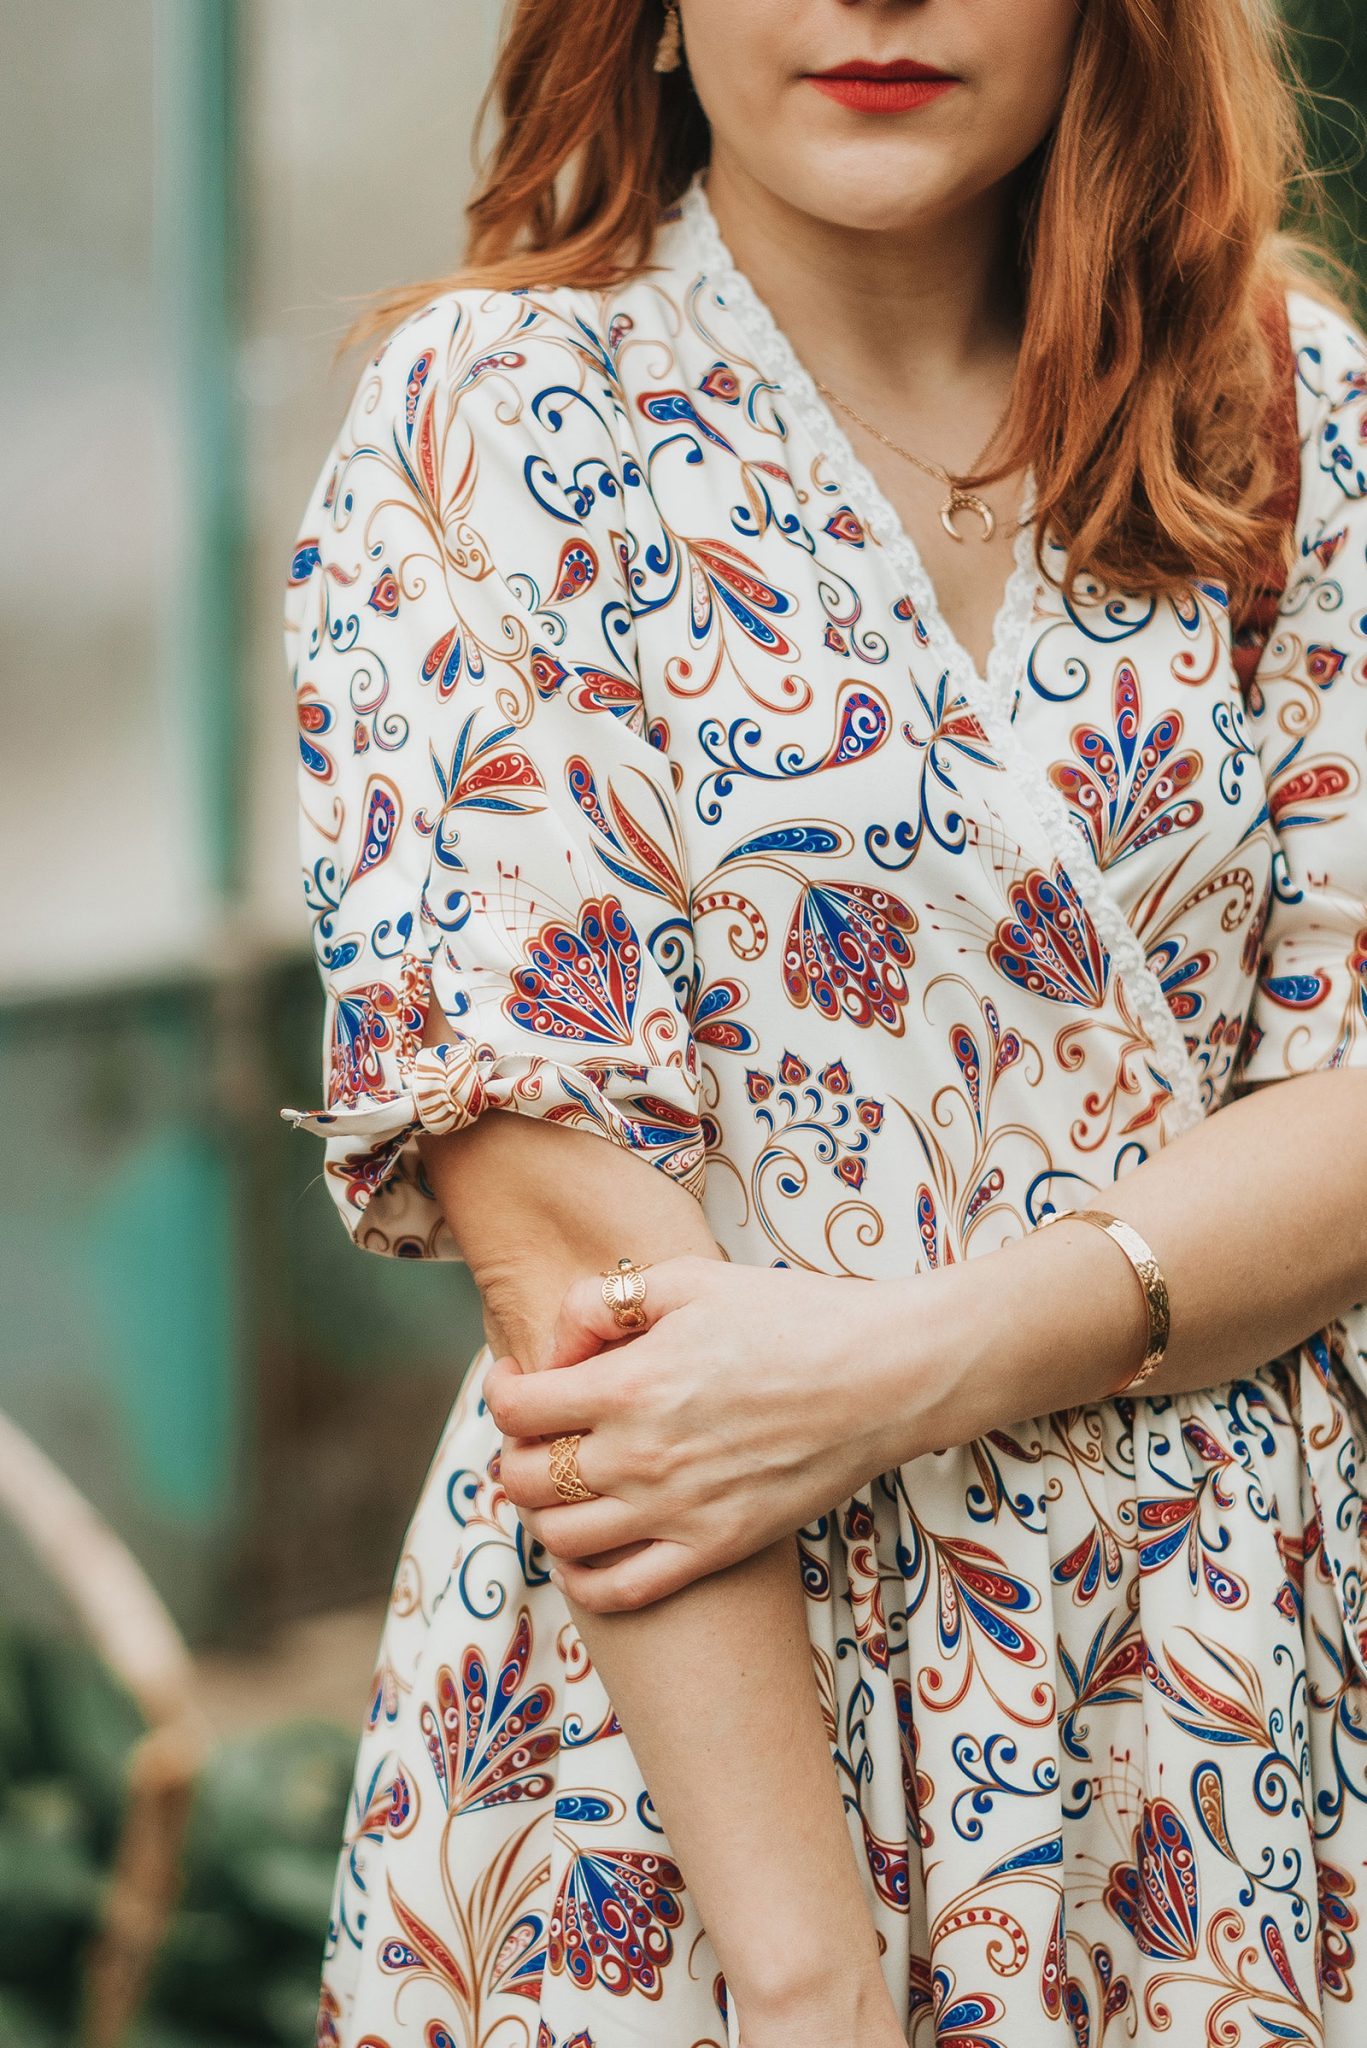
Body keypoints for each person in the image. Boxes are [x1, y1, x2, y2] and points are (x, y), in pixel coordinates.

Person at [280, 2, 1367, 2043]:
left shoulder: (1288, 413)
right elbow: (585, 1279)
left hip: (1228, 1698)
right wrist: (801, 1981)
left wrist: (918, 1357)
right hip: (694, 1743)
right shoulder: (496, 418)